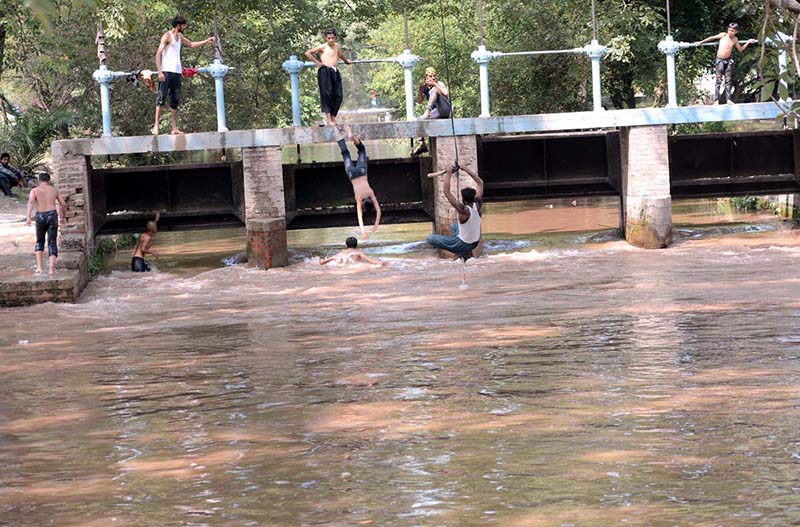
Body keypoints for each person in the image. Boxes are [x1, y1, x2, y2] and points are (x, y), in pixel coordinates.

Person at [152, 15, 215, 135]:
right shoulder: (167, 36)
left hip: (177, 72)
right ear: (178, 25)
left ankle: (174, 128)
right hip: (166, 72)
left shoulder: (180, 36)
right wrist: (160, 71)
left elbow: (191, 44)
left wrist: (207, 40)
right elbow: (158, 54)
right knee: (161, 98)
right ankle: (156, 126)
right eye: (183, 25)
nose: (184, 27)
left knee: (175, 100)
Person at [426, 163, 483, 261]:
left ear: (463, 199)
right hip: (475, 243)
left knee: (430, 239)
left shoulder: (463, 210)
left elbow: (446, 192)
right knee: (454, 226)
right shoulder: (477, 204)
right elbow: (480, 183)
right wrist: (466, 169)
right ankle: (466, 251)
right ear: (473, 197)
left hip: (463, 244)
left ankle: (460, 251)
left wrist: (448, 173)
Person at [336, 124, 381, 238]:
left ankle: (351, 134)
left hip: (362, 172)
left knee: (362, 150)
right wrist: (363, 232)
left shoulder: (371, 193)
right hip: (352, 174)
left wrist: (377, 224)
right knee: (345, 153)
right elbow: (359, 217)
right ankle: (339, 133)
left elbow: (379, 212)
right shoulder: (359, 199)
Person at [695, 23, 757, 105]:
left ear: (736, 32)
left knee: (728, 80)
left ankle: (728, 100)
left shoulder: (735, 39)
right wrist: (701, 42)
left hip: (728, 61)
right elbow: (712, 38)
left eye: (732, 31)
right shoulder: (723, 35)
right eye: (729, 30)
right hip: (720, 60)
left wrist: (748, 42)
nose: (730, 32)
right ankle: (716, 100)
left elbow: (740, 49)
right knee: (718, 80)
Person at [305, 28, 351, 126]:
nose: (331, 40)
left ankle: (333, 118)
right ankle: (329, 119)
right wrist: (317, 63)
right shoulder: (323, 47)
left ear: (335, 38)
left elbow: (340, 55)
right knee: (327, 95)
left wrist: (346, 61)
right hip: (325, 71)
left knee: (338, 95)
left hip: (334, 71)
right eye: (329, 38)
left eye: (332, 38)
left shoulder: (337, 46)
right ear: (326, 38)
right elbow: (308, 53)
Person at [25, 173, 67, 276]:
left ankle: (39, 267)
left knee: (40, 241)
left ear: (39, 180)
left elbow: (31, 202)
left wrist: (28, 216)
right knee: (52, 241)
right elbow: (64, 204)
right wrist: (63, 217)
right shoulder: (54, 190)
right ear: (48, 180)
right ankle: (51, 269)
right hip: (52, 215)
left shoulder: (34, 190)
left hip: (40, 216)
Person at [412, 67, 451, 157]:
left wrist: (435, 84)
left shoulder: (439, 84)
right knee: (418, 120)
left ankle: (427, 111)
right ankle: (422, 144)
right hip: (436, 112)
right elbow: (419, 101)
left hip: (445, 109)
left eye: (434, 76)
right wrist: (420, 90)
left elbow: (445, 92)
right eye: (430, 76)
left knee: (435, 90)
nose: (432, 78)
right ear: (426, 77)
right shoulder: (425, 86)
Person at [319, 237, 386, 266]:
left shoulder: (341, 253)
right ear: (356, 245)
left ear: (346, 245)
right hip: (356, 267)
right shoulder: (358, 252)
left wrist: (321, 260)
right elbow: (372, 261)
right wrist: (381, 263)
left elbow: (322, 263)